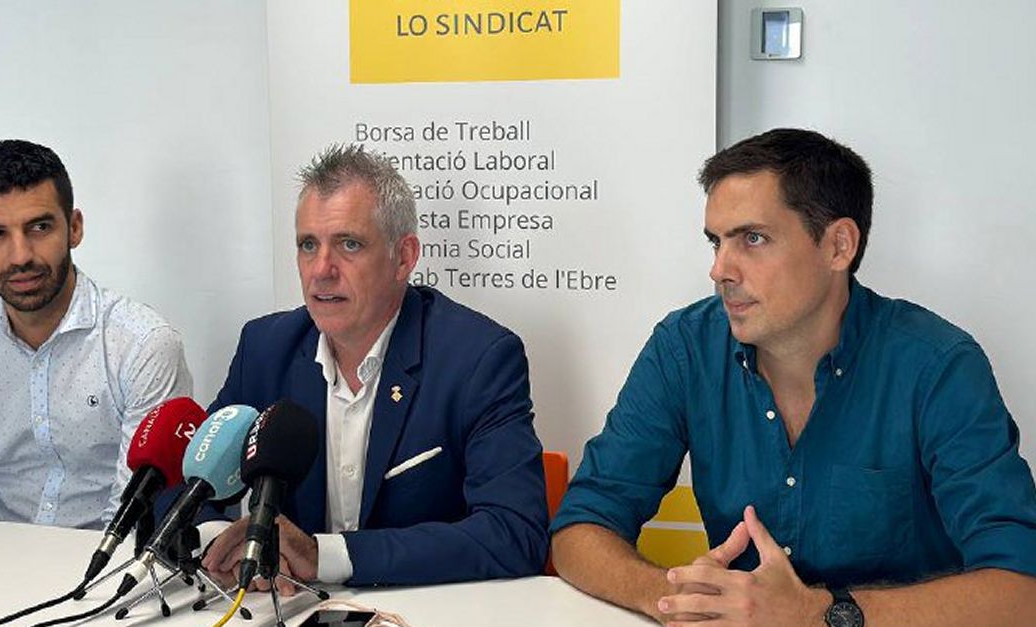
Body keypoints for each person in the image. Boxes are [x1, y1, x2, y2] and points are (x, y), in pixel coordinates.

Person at [550, 128, 1036, 626]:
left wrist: (815, 614)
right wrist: (675, 598)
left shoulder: (937, 366)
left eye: (753, 239)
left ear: (838, 246)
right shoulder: (684, 348)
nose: (719, 269)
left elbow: (1022, 589)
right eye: (716, 242)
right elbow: (580, 527)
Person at [200, 144, 547, 588]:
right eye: (308, 245)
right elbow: (182, 485)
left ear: (404, 257)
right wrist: (222, 543)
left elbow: (515, 532)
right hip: (288, 606)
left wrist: (323, 556)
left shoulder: (478, 359)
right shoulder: (266, 349)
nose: (321, 270)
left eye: (349, 244)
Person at [0, 139, 193, 529]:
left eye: (39, 227)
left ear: (74, 228)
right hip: (0, 560)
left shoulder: (142, 345)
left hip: (108, 558)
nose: (20, 256)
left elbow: (132, 519)